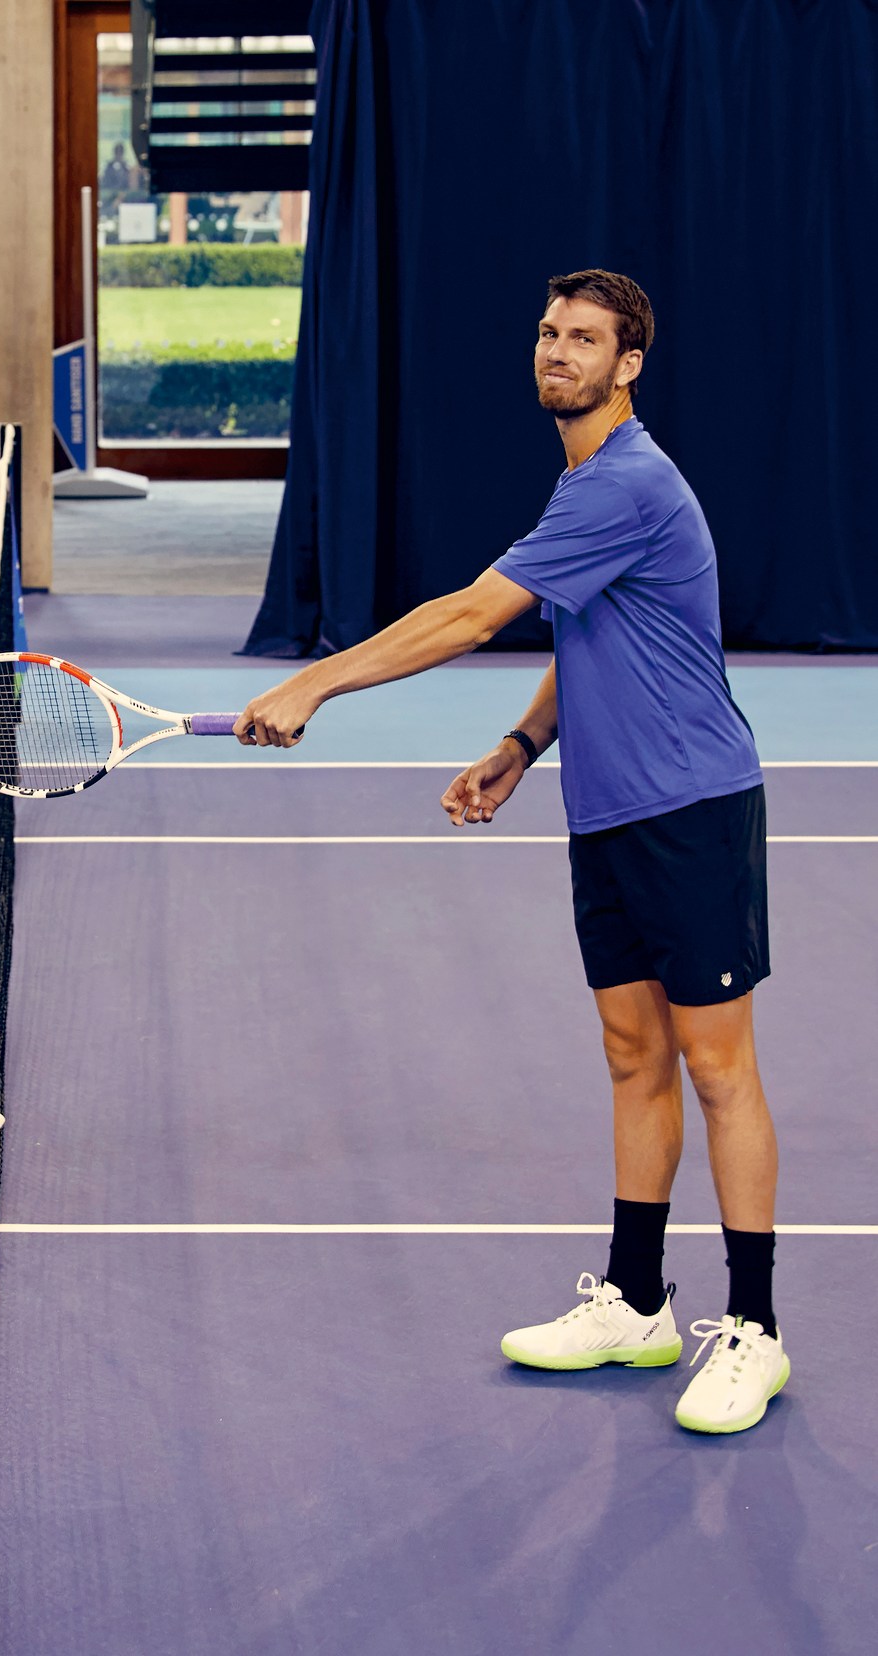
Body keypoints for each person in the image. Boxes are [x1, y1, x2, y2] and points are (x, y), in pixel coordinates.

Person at [237, 271, 786, 1435]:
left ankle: (754, 1330)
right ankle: (634, 1302)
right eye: (546, 333)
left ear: (626, 364)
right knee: (629, 1051)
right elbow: (586, 629)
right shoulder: (582, 481)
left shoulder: (625, 482)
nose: (556, 351)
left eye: (583, 339)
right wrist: (522, 742)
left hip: (689, 808)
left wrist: (314, 681)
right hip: (605, 807)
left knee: (716, 1066)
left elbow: (468, 615)